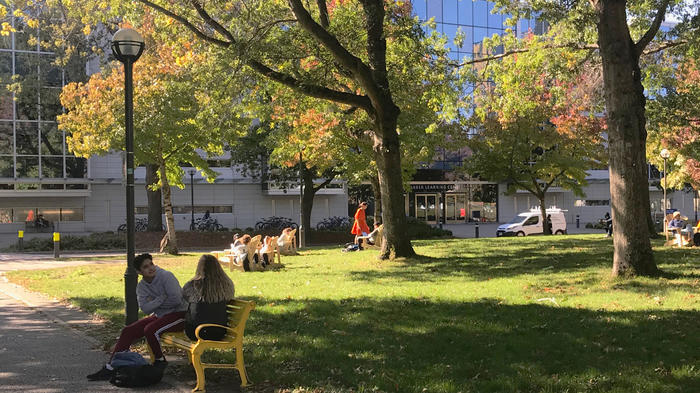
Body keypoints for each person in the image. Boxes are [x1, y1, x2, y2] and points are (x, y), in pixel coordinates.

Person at [87, 253, 187, 381]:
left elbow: (177, 300)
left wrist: (154, 303)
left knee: (150, 330)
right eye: (145, 267)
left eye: (151, 264)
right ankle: (110, 367)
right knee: (128, 331)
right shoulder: (142, 286)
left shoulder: (166, 276)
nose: (151, 268)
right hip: (161, 315)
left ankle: (159, 360)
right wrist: (161, 298)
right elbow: (145, 308)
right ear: (139, 272)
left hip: (179, 314)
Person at [182, 254, 236, 341]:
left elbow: (184, 298)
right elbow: (229, 297)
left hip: (195, 332)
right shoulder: (226, 284)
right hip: (219, 332)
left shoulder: (192, 285)